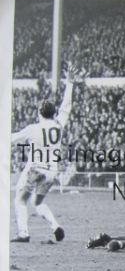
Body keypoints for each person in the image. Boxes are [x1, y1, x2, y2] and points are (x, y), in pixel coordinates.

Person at [11, 63, 80, 243]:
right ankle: (55, 227)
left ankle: (23, 233)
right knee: (37, 203)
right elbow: (67, 107)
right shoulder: (58, 125)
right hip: (51, 172)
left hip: (35, 169)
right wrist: (70, 83)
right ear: (53, 113)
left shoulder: (33, 128)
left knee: (19, 200)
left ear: (40, 113)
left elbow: (11, 139)